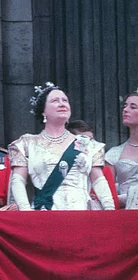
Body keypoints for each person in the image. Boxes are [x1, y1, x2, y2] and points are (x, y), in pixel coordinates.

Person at [8, 82, 114, 211]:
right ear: (43, 111)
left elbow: (99, 181)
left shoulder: (87, 144)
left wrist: (110, 209)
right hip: (44, 213)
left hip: (81, 214)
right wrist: (26, 211)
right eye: (55, 101)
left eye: (65, 100)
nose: (62, 104)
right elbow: (18, 181)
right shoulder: (27, 143)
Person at [67, 119, 120, 210]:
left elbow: (100, 183)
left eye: (91, 139)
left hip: (82, 207)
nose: (88, 143)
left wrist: (109, 208)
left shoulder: (101, 167)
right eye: (83, 138)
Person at [106, 90, 138, 209]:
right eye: (125, 106)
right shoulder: (113, 154)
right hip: (126, 215)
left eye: (132, 107)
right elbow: (106, 192)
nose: (125, 109)